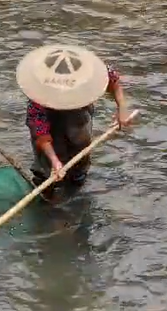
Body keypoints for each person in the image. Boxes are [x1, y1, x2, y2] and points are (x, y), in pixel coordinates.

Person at [16, 44, 136, 197]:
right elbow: (40, 133)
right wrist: (55, 161)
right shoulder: (38, 99)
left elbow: (114, 82)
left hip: (78, 125)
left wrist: (122, 109)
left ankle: (77, 181)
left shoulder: (92, 69)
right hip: (51, 132)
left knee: (79, 168)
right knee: (47, 174)